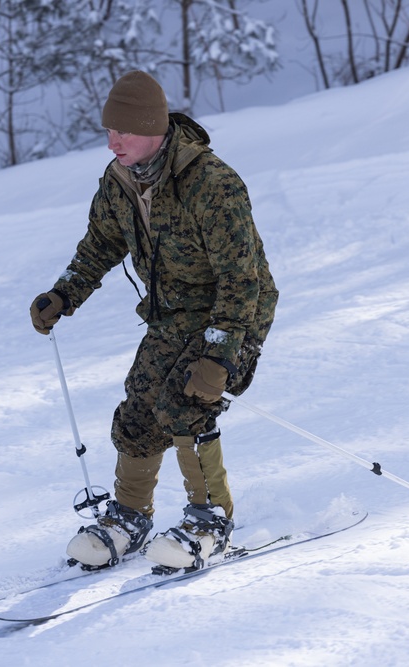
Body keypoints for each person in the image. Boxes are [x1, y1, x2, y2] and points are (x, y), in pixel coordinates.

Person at [29, 70, 278, 571]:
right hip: (172, 316)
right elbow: (100, 243)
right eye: (108, 131)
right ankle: (129, 517)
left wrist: (221, 355)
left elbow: (241, 279)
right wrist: (64, 293)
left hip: (233, 315)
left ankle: (210, 520)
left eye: (125, 130)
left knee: (186, 400)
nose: (114, 141)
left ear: (156, 128)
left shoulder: (212, 184)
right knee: (140, 409)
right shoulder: (119, 180)